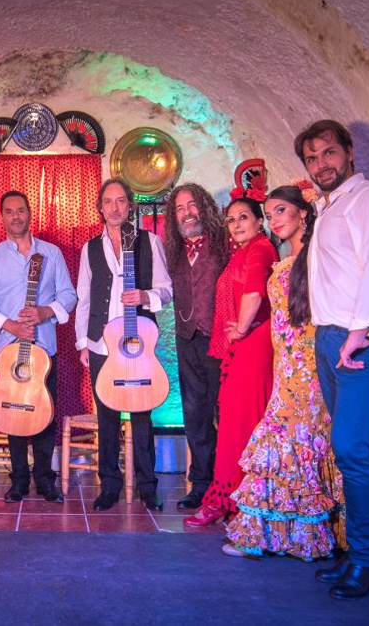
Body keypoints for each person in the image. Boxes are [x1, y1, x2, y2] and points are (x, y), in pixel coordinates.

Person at [223, 183, 369, 561]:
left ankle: (291, 535)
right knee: (296, 435)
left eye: (281, 211)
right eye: (270, 213)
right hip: (287, 364)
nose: (274, 219)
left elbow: (359, 277)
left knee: (294, 435)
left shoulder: (315, 257)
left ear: (303, 214)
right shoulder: (285, 258)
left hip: (309, 362)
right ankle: (289, 534)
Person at [297, 119, 369, 600]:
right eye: (312, 158)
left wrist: (359, 331)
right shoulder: (328, 209)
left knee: (350, 448)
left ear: (349, 151)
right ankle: (367, 554)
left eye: (327, 153)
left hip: (361, 340)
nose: (321, 164)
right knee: (362, 448)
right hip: (332, 337)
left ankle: (364, 560)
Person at [74, 178, 173, 512]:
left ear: (129, 205)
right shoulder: (90, 249)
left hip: (138, 343)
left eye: (120, 201)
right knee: (107, 417)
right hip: (102, 345)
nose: (114, 207)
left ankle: (147, 486)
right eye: (108, 202)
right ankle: (109, 486)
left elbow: (166, 288)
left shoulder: (150, 241)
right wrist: (83, 343)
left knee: (143, 416)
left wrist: (145, 295)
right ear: (100, 208)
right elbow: (83, 298)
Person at [0, 191, 77, 503]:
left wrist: (45, 312)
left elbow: (69, 294)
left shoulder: (52, 253)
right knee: (11, 413)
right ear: (1, 217)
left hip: (44, 349)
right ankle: (18, 480)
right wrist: (10, 325)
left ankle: (46, 479)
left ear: (30, 213)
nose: (16, 216)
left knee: (44, 413)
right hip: (8, 349)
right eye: (9, 212)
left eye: (21, 210)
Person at [185, 192, 278, 528]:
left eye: (244, 217)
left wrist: (240, 327)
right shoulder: (244, 250)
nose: (237, 224)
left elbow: (255, 291)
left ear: (258, 221)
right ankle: (232, 498)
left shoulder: (261, 249)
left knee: (239, 426)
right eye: (232, 219)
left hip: (253, 346)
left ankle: (235, 501)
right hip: (242, 348)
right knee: (233, 425)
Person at [161, 183, 228, 510]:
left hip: (222, 342)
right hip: (187, 341)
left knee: (225, 414)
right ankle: (201, 484)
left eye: (192, 206)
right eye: (179, 209)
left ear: (204, 207)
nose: (187, 213)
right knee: (195, 415)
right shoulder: (170, 252)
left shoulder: (225, 244)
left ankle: (229, 485)